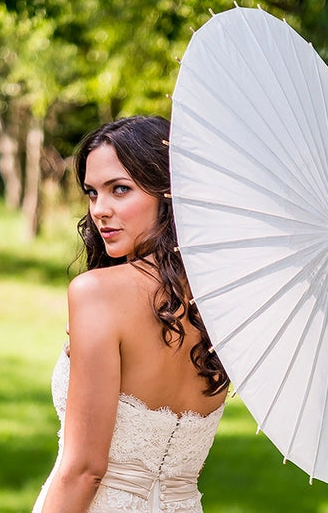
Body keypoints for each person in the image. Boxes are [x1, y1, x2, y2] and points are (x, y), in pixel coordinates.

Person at [32, 115, 229, 513]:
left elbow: (85, 470)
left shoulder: (97, 294)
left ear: (168, 194)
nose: (100, 210)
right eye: (91, 193)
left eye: (119, 190)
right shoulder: (222, 301)